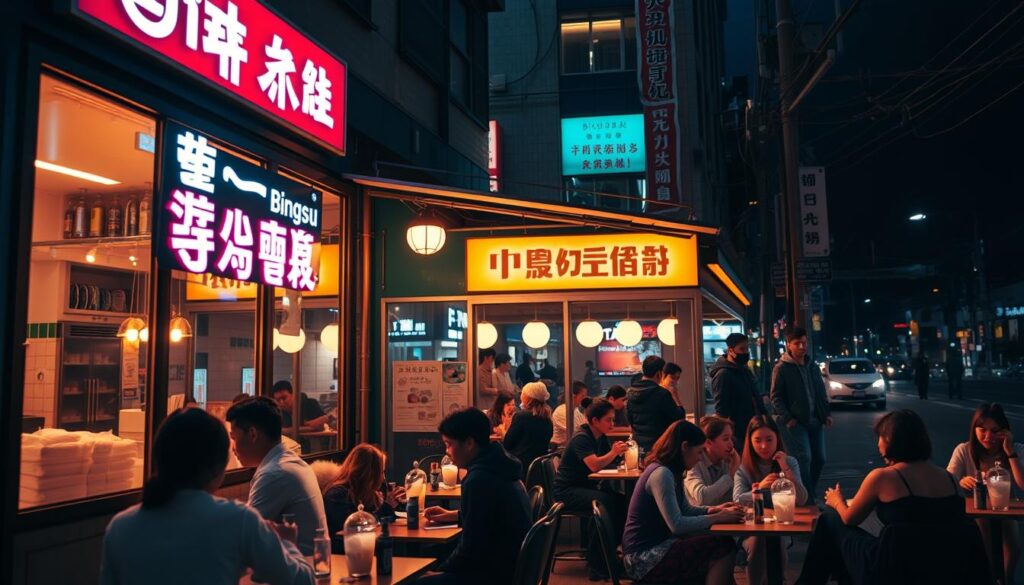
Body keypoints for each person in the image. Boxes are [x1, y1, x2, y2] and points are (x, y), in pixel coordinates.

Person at [100, 409, 315, 585]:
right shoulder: (238, 520)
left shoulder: (120, 528)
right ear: (219, 469)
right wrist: (288, 544)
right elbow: (302, 581)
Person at [797, 410, 966, 585]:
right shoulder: (950, 479)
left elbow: (850, 519)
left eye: (880, 436)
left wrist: (836, 500)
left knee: (829, 520)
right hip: (944, 566)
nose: (878, 443)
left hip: (893, 568)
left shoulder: (884, 476)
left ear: (891, 441)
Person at [417, 408, 532, 585]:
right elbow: (490, 518)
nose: (447, 451)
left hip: (492, 574)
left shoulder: (479, 479)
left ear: (469, 443)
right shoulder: (501, 466)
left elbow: (470, 549)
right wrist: (453, 515)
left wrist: (439, 571)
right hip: (513, 567)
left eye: (449, 444)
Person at [622, 420, 744, 585]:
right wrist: (718, 517)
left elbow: (685, 508)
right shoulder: (662, 474)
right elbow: (677, 524)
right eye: (699, 452)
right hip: (642, 559)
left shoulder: (672, 470)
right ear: (685, 447)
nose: (701, 458)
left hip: (657, 548)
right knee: (723, 546)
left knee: (720, 545)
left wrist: (714, 510)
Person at [226, 397, 328, 556]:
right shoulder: (291, 462)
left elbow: (243, 536)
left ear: (252, 434)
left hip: (301, 571)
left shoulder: (274, 474)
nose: (233, 448)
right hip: (311, 565)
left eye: (234, 438)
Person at [553, 398, 630, 580]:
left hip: (583, 487)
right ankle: (598, 565)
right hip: (567, 490)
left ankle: (609, 555)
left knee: (621, 500)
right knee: (603, 503)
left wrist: (623, 458)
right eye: (608, 420)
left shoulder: (599, 437)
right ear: (595, 421)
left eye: (613, 419)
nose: (612, 423)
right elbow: (594, 465)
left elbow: (607, 462)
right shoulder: (582, 437)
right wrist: (613, 453)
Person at [947, 403, 1024, 581]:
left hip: (1005, 511)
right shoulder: (964, 450)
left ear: (1005, 431)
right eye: (982, 430)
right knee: (982, 524)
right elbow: (947, 481)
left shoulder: (1016, 449)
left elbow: (1022, 485)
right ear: (974, 429)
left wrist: (1010, 453)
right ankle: (990, 575)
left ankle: (1006, 578)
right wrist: (961, 481)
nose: (988, 436)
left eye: (995, 430)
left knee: (1009, 527)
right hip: (976, 511)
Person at [733, 415, 808, 585]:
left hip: (780, 524)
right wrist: (759, 488)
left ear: (777, 438)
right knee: (759, 539)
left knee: (776, 537)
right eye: (757, 440)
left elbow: (802, 499)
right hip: (750, 526)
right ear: (750, 442)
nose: (764, 446)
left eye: (769, 439)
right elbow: (737, 500)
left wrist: (786, 469)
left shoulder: (789, 462)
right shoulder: (743, 468)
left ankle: (778, 580)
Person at [770, 326, 831, 499]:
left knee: (820, 458)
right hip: (796, 422)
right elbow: (776, 397)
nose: (802, 347)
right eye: (798, 343)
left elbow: (820, 391)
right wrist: (788, 418)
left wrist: (826, 413)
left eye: (804, 343)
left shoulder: (811, 365)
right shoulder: (781, 368)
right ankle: (808, 498)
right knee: (804, 459)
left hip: (815, 420)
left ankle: (805, 493)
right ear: (788, 345)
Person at [318, 444, 405, 552]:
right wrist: (385, 506)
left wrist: (396, 504)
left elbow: (387, 522)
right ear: (368, 473)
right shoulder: (337, 495)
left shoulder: (366, 493)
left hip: (367, 550)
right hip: (346, 556)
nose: (383, 478)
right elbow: (355, 529)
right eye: (381, 472)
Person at [711, 333, 767, 447]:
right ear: (730, 351)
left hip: (752, 426)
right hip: (738, 432)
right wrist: (729, 434)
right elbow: (721, 408)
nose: (745, 353)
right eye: (741, 349)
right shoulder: (723, 374)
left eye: (747, 349)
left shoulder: (744, 370)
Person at [627, 356, 686, 452]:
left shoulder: (630, 392)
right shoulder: (661, 394)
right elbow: (679, 417)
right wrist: (675, 395)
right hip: (658, 446)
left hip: (639, 446)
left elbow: (630, 420)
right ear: (659, 374)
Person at [685, 416, 741, 506]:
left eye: (731, 438)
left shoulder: (730, 460)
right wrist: (730, 476)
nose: (731, 444)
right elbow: (702, 498)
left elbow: (738, 497)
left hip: (726, 518)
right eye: (725, 439)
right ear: (708, 443)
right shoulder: (694, 462)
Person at [503, 381, 554, 478]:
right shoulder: (547, 418)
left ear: (528, 397)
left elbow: (507, 444)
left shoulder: (521, 416)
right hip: (538, 469)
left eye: (523, 393)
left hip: (520, 468)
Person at [552, 381, 589, 446]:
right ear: (573, 396)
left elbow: (586, 427)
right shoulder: (561, 411)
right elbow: (576, 433)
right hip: (560, 450)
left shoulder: (576, 410)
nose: (585, 399)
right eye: (583, 396)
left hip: (573, 446)